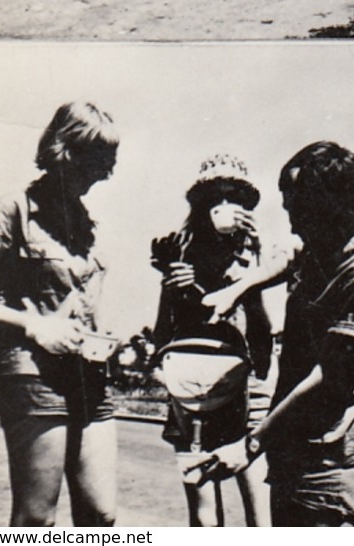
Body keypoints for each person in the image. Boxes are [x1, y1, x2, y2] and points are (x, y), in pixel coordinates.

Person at [194, 142, 354, 527]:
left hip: (328, 468)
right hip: (294, 456)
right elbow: (287, 256)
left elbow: (328, 379)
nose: (290, 219)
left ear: (329, 207)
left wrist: (251, 444)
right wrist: (237, 289)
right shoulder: (322, 252)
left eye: (297, 207)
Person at [0, 102, 120, 526]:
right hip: (33, 375)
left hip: (90, 375)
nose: (105, 174)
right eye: (97, 161)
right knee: (37, 521)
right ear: (66, 151)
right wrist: (33, 323)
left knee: (101, 515)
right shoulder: (13, 211)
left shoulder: (87, 223)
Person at [149, 155, 274, 527]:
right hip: (194, 385)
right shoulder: (180, 255)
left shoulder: (253, 257)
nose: (225, 206)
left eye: (235, 198)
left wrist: (249, 281)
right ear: (200, 206)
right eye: (216, 198)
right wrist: (178, 290)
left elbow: (263, 345)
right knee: (204, 511)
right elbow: (161, 334)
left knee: (259, 508)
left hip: (247, 384)